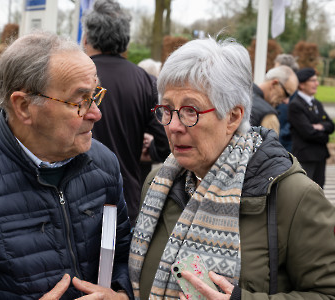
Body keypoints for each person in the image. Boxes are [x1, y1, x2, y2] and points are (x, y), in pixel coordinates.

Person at [129, 37, 335, 300]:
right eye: (167, 109)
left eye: (191, 111)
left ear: (233, 117)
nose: (173, 126)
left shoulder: (293, 196)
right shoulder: (158, 184)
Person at [0, 31, 133, 300]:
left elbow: (123, 256)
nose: (96, 113)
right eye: (80, 100)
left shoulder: (103, 164)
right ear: (24, 106)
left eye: (95, 94)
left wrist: (121, 295)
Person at [82, 0, 170, 226]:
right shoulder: (146, 81)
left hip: (77, 196)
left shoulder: (75, 78)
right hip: (126, 199)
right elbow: (167, 140)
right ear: (125, 41)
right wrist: (149, 151)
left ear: (87, 38)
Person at [288, 67, 335, 188]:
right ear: (302, 85)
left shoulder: (316, 104)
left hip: (320, 156)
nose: (317, 83)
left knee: (319, 191)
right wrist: (324, 133)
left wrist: (320, 127)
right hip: (306, 156)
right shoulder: (295, 105)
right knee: (305, 192)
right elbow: (308, 132)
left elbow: (331, 126)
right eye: (313, 81)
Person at [250, 65, 298, 135]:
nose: (286, 101)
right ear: (274, 83)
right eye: (286, 94)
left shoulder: (237, 96)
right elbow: (271, 145)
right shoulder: (269, 117)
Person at [274, 54, 299, 152]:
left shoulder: (294, 90)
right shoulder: (278, 87)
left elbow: (295, 118)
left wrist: (279, 135)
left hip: (285, 143)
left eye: (276, 67)